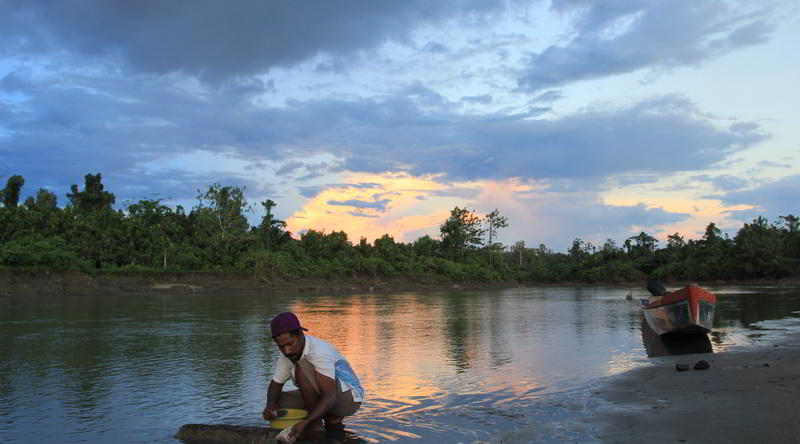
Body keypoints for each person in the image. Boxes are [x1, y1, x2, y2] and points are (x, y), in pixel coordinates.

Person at [262, 312, 364, 439]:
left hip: (348, 398)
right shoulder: (288, 354)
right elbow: (275, 385)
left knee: (301, 369)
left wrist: (307, 422)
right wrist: (270, 405)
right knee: (279, 402)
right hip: (326, 394)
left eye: (290, 344)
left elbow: (330, 396)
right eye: (281, 346)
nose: (286, 351)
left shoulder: (319, 351)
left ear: (300, 334)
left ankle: (317, 426)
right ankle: (329, 417)